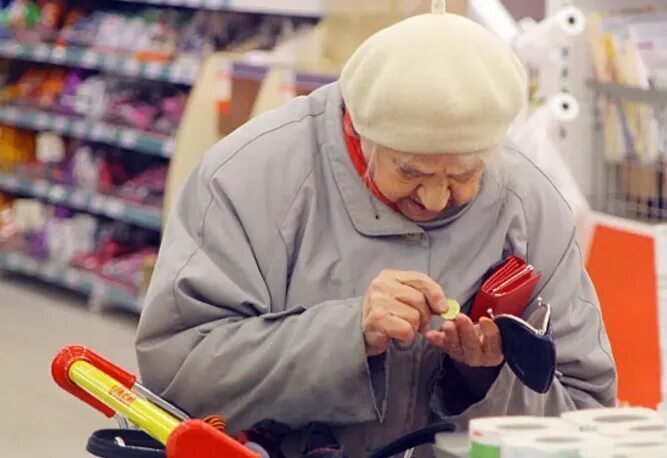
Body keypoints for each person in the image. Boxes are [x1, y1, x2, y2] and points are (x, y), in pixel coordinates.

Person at [135, 5, 617, 457]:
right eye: (410, 172)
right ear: (358, 132)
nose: (435, 198)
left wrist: (485, 381)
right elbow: (176, 375)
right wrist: (348, 334)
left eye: (464, 175)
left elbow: (586, 414)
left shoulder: (530, 206)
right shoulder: (249, 179)